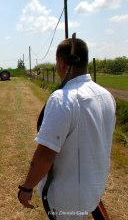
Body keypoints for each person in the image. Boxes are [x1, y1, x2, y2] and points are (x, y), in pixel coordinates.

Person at [18, 38, 116, 219]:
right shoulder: (106, 96)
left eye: (57, 63)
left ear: (62, 63)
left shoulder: (63, 98)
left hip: (68, 198)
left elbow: (46, 154)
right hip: (93, 192)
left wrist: (26, 188)